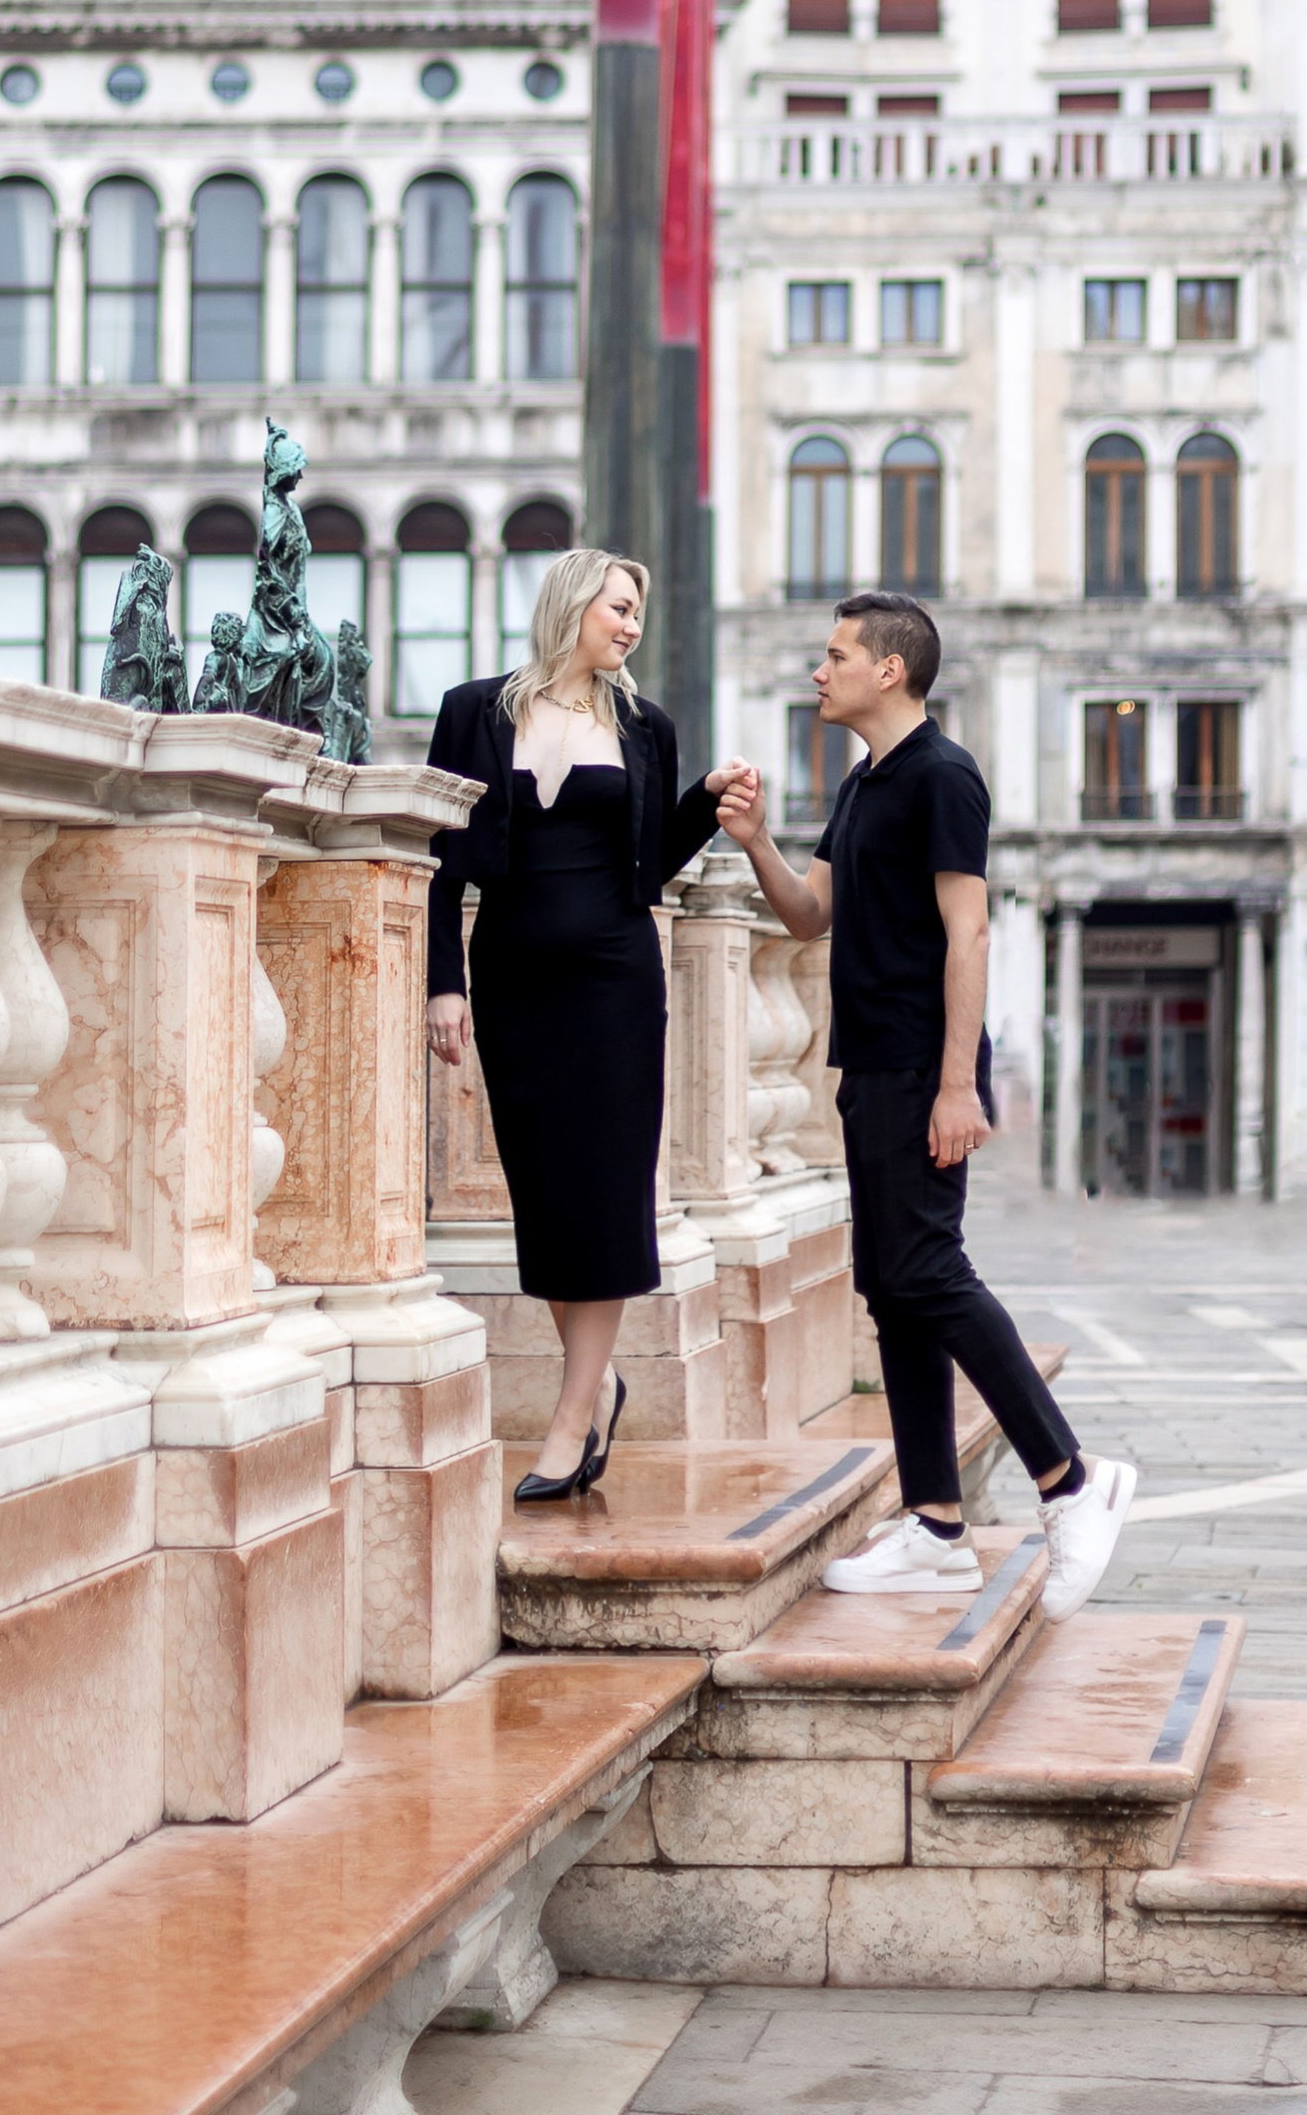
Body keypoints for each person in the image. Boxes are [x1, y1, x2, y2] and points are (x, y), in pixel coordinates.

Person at [717, 592, 1135, 1621]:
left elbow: (970, 934)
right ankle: (936, 1527)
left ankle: (1071, 1479)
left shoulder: (944, 775)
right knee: (892, 1288)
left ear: (889, 669)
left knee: (928, 1272)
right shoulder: (863, 782)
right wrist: (758, 843)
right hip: (869, 1065)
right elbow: (809, 916)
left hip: (920, 1065)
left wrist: (959, 1084)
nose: (819, 672)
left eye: (835, 655)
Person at [425, 551, 754, 1503]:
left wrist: (706, 801)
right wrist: (445, 982)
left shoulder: (646, 727)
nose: (631, 625)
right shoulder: (473, 712)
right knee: (545, 1192)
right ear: (572, 605)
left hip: (615, 981)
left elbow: (650, 863)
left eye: (638, 612)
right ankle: (598, 1383)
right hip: (513, 977)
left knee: (605, 1191)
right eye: (619, 607)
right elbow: (440, 859)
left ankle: (571, 1420)